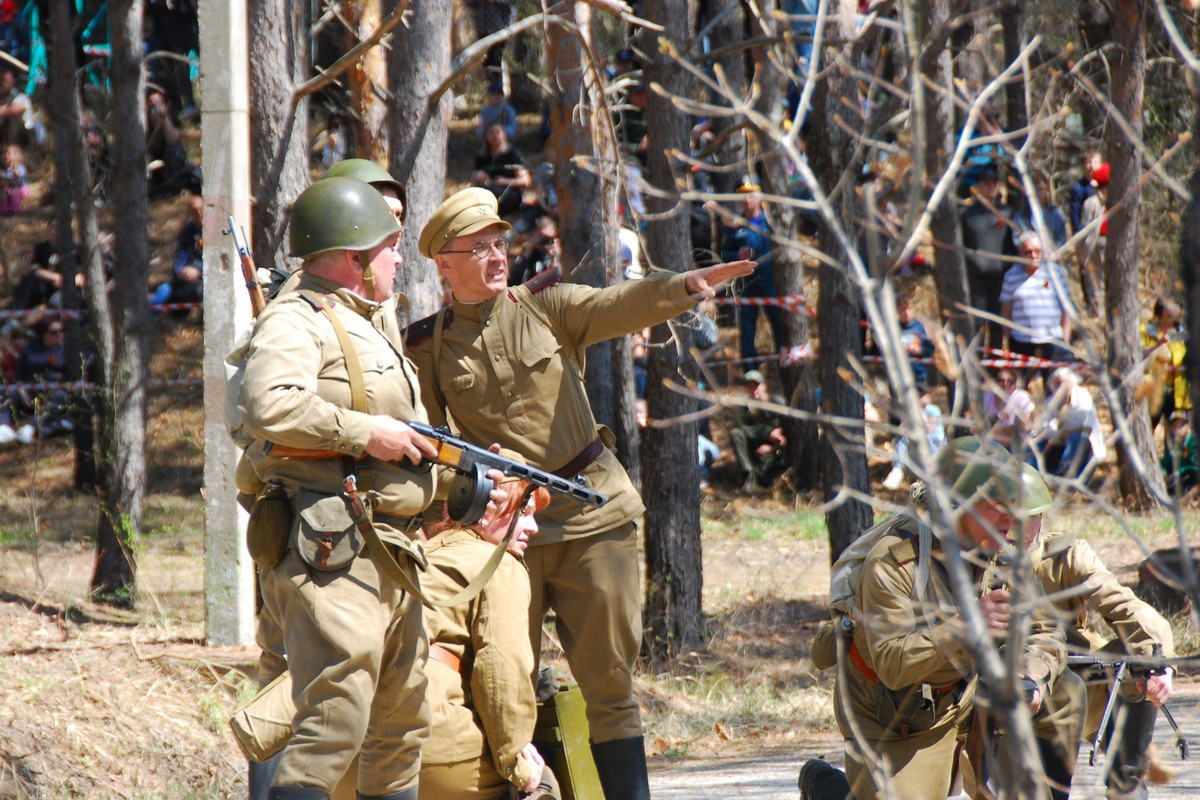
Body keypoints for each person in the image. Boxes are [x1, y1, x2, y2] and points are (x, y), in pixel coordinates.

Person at [408, 187, 755, 800]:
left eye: (499, 243)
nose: (495, 256)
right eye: (479, 248)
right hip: (509, 536)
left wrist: (684, 286)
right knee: (498, 683)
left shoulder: (548, 308)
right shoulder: (428, 347)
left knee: (609, 689)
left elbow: (619, 303)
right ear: (444, 263)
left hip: (593, 516)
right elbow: (435, 450)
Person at [236, 177, 442, 800]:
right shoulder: (297, 319)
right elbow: (265, 404)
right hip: (332, 548)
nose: (400, 257)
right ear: (355, 256)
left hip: (391, 550)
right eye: (391, 245)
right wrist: (363, 432)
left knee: (401, 724)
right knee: (334, 720)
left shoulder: (368, 322)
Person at [800, 437, 1086, 800]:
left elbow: (1044, 630)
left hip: (972, 694)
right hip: (903, 719)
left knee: (1065, 693)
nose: (1012, 517)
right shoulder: (893, 563)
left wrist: (1029, 675)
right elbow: (892, 662)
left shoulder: (1004, 556)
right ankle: (826, 786)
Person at [419, 467, 557, 800]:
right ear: (485, 510)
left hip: (349, 755)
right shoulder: (498, 564)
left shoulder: (418, 555)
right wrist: (518, 764)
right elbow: (501, 671)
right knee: (543, 782)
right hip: (427, 744)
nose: (533, 527)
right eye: (523, 513)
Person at [1033, 529, 1175, 798]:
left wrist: (1159, 661)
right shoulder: (969, 556)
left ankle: (1127, 785)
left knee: (1140, 661)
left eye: (1031, 515)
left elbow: (1123, 604)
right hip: (995, 700)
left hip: (1072, 689)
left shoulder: (1065, 555)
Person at [711, 175, 782, 363]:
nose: (747, 199)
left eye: (751, 193)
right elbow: (724, 255)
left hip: (772, 285)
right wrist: (737, 256)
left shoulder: (773, 223)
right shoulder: (734, 226)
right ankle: (750, 373)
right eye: (742, 194)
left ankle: (785, 369)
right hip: (747, 286)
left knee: (780, 329)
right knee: (747, 335)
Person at [999, 232, 1073, 389]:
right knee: (1019, 389)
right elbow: (1005, 311)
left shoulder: (1055, 273)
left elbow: (1067, 309)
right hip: (1021, 342)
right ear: (1020, 253)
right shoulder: (1011, 276)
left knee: (1055, 389)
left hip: (1053, 340)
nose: (1033, 255)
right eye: (1028, 251)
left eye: (1037, 251)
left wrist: (1066, 341)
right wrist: (1007, 338)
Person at [960, 162, 1018, 347]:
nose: (991, 186)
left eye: (994, 182)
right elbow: (960, 246)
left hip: (1000, 279)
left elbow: (1014, 245)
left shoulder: (1007, 212)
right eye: (986, 183)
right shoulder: (966, 214)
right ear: (977, 187)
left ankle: (994, 372)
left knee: (997, 325)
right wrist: (973, 260)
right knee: (976, 324)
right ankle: (975, 369)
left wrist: (1006, 268)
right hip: (975, 279)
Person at [1034, 367, 1106, 480]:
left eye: (1064, 382)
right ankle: (1034, 473)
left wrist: (1067, 432)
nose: (1061, 386)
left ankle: (1066, 475)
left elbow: (1087, 427)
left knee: (1074, 438)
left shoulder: (1082, 397)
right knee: (1036, 440)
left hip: (1083, 444)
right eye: (1058, 383)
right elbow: (1041, 426)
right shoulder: (1052, 401)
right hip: (1058, 442)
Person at [730, 370, 787, 493]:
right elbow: (744, 428)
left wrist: (774, 447)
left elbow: (790, 433)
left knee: (767, 480)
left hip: (776, 452)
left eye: (756, 385)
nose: (753, 389)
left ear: (764, 386)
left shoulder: (779, 404)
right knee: (736, 433)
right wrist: (769, 432)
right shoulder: (744, 407)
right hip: (754, 450)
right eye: (749, 386)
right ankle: (748, 475)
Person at [150, 193, 204, 315]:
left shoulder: (217, 232)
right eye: (195, 212)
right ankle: (144, 324)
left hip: (205, 281)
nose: (199, 214)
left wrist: (198, 271)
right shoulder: (187, 233)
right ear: (190, 214)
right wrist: (181, 272)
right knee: (163, 291)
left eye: (202, 210)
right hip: (185, 281)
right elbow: (179, 259)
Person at [472, 122, 531, 217]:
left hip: (509, 194)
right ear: (486, 136)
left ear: (504, 135)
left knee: (488, 191)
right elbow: (473, 178)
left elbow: (525, 181)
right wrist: (478, 175)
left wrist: (504, 181)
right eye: (491, 133)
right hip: (486, 191)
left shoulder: (512, 154)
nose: (495, 135)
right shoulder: (481, 156)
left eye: (498, 132)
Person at [1076, 161, 1109, 313]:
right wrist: (1083, 257)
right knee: (1096, 287)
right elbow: (1084, 234)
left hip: (1110, 248)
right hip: (1095, 247)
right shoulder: (1092, 204)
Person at [1161, 411, 1198, 496]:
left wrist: (1176, 474)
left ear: (1187, 426)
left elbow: (1194, 467)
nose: (1177, 429)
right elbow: (1164, 463)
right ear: (1170, 428)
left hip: (1189, 478)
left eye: (1181, 425)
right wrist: (1163, 473)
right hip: (1175, 479)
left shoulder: (1193, 441)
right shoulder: (1170, 445)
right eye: (1174, 426)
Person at [0, 65, 33, 147]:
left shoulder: (21, 97)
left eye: (6, 80)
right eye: (1, 80)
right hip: (10, 140)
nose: (3, 84)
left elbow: (15, 109)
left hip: (27, 138)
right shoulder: (3, 98)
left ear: (13, 81)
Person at [0, 141, 29, 215]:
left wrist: (15, 174)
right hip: (7, 187)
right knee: (2, 193)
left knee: (13, 192)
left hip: (19, 187)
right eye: (5, 153)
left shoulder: (19, 167)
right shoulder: (4, 168)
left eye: (9, 154)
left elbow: (20, 180)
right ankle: (3, 210)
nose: (6, 156)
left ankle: (14, 210)